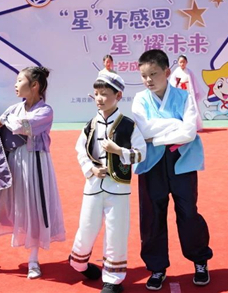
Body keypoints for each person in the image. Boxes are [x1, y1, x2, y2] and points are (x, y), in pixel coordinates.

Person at [0, 66, 65, 279]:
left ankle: (33, 260)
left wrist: (5, 121)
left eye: (20, 80)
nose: (16, 85)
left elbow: (23, 126)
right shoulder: (13, 109)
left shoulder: (45, 111)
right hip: (8, 163)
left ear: (34, 85)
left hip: (34, 164)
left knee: (34, 208)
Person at [132, 49, 212, 290]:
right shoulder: (140, 99)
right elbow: (143, 130)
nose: (148, 80)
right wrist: (174, 125)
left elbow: (189, 132)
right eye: (144, 75)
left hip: (182, 161)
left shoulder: (184, 96)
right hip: (151, 164)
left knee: (188, 213)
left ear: (167, 72)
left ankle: (200, 260)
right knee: (152, 216)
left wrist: (155, 137)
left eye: (153, 74)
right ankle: (156, 267)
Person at [69, 72, 146, 293]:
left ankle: (113, 279)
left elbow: (141, 153)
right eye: (96, 94)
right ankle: (78, 262)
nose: (99, 99)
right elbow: (80, 151)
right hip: (93, 185)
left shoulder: (128, 125)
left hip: (119, 188)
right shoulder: (90, 125)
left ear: (118, 95)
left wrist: (119, 150)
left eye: (104, 94)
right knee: (86, 228)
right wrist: (91, 169)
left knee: (116, 233)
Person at [169, 55, 204, 131]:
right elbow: (172, 83)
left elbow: (194, 83)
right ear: (178, 63)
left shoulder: (189, 72)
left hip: (188, 92)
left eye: (183, 62)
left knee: (191, 108)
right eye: (180, 62)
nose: (182, 64)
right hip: (179, 93)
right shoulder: (175, 72)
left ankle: (193, 125)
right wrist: (176, 85)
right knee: (180, 109)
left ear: (186, 62)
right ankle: (180, 125)